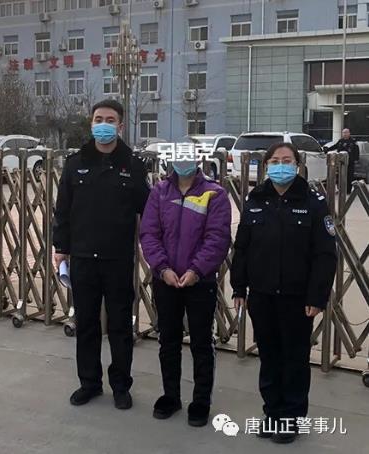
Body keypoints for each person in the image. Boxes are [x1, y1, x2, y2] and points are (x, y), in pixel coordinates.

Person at [231, 142, 337, 444]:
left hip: (297, 298)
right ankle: (272, 414)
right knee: (269, 357)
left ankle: (291, 418)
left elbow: (325, 255)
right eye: (275, 161)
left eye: (287, 160)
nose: (281, 166)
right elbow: (242, 248)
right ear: (266, 166)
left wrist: (317, 296)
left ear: (297, 165)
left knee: (294, 359)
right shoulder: (255, 200)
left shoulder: (314, 203)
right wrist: (239, 287)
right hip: (261, 295)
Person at [53, 99, 149, 410]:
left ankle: (121, 386)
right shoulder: (75, 163)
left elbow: (148, 211)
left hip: (117, 259)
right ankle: (89, 383)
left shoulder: (133, 165)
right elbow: (63, 210)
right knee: (87, 324)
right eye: (98, 119)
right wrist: (61, 248)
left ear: (120, 126)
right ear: (91, 123)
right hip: (82, 258)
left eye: (110, 120)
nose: (103, 125)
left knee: (120, 326)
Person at [139, 154, 231, 427]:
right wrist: (162, 268)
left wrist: (196, 270)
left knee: (202, 342)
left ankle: (201, 400)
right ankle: (171, 395)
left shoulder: (215, 193)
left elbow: (218, 238)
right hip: (165, 280)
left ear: (198, 159)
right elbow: (149, 234)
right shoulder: (159, 192)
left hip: (200, 281)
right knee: (168, 340)